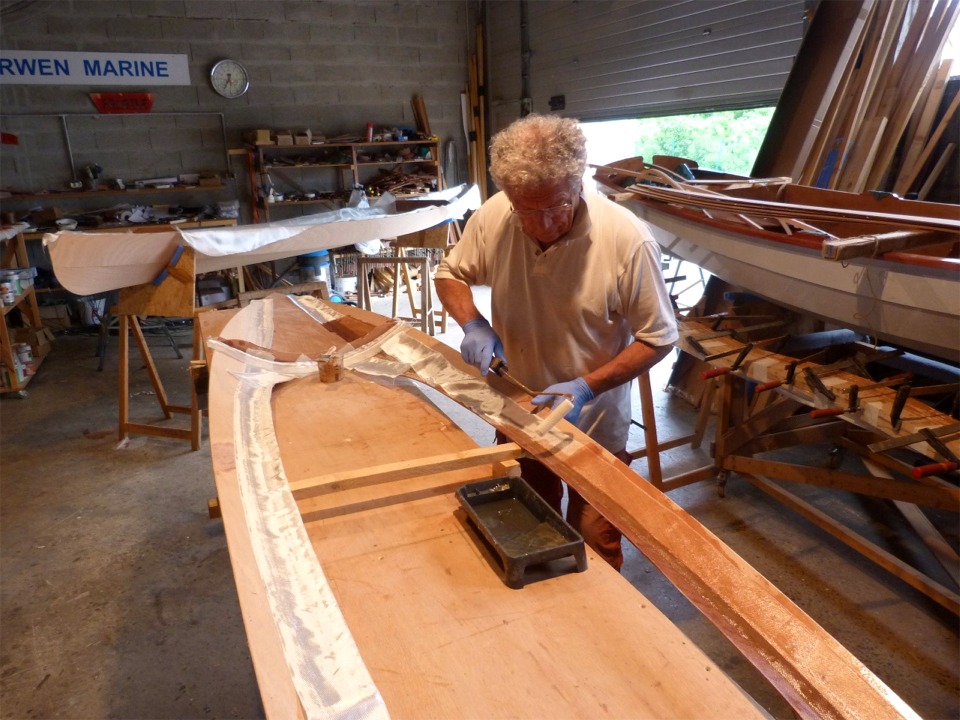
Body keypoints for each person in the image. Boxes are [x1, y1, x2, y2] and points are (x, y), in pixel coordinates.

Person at [434, 114, 679, 570]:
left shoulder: (627, 241)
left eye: (556, 206)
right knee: (528, 525)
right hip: (520, 409)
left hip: (594, 423)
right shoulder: (497, 214)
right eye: (526, 211)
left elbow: (659, 339)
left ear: (578, 182)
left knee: (596, 541)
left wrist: (587, 386)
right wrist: (472, 323)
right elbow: (450, 273)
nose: (542, 224)